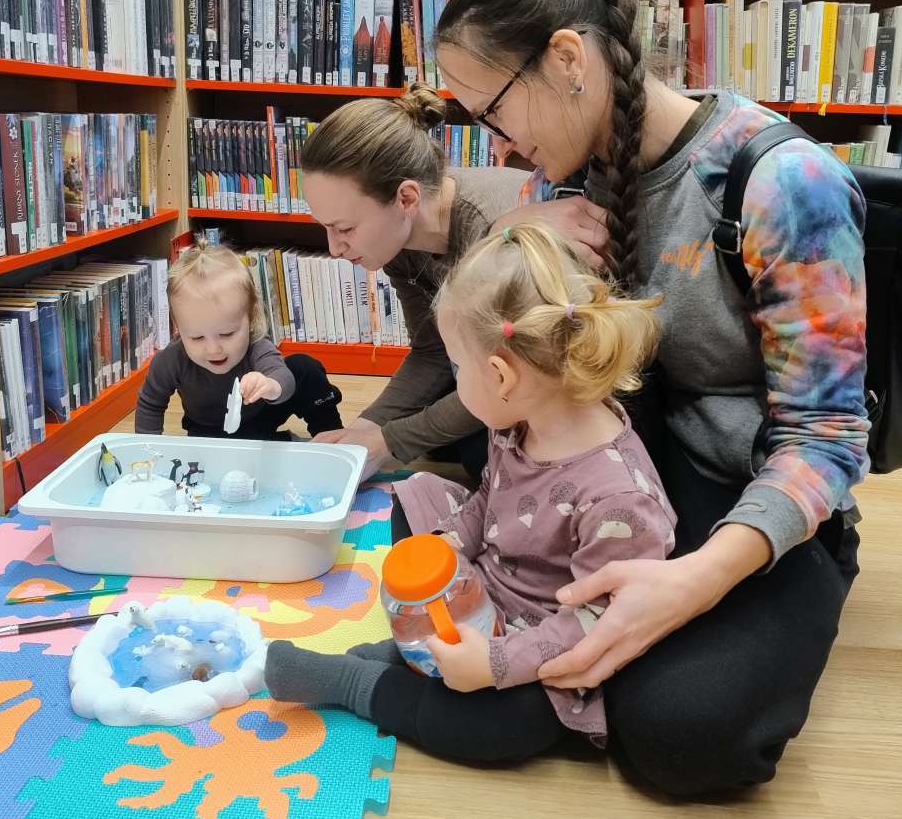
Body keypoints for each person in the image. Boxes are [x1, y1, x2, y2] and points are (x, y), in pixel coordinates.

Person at [425, 0, 870, 797]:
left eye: (493, 113)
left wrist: (694, 583)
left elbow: (826, 437)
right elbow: (495, 348)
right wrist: (517, 235)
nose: (500, 148)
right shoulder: (569, 174)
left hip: (744, 490)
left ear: (568, 60)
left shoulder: (784, 184)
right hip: (623, 466)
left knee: (682, 734)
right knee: (475, 434)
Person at [266, 223, 674, 763]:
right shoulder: (518, 423)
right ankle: (416, 651)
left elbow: (600, 625)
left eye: (457, 368)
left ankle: (354, 683)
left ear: (501, 376)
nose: (454, 380)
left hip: (546, 645)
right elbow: (487, 500)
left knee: (500, 726)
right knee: (416, 495)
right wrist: (449, 546)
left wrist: (494, 664)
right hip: (486, 589)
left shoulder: (619, 501)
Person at [301, 86, 525, 483]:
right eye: (325, 228)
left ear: (406, 199)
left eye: (345, 228)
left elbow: (505, 379)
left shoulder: (489, 232)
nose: (334, 249)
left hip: (535, 379)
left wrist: (388, 441)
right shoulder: (400, 240)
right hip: (490, 374)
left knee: (483, 454)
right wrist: (366, 430)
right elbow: (431, 349)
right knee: (436, 436)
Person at [134, 241, 343, 439]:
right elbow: (150, 403)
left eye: (227, 334)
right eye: (197, 337)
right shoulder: (171, 359)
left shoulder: (256, 345)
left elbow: (283, 378)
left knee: (304, 367)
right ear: (178, 327)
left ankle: (332, 437)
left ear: (251, 318)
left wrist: (269, 385)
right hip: (209, 434)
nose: (213, 349)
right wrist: (146, 449)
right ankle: (277, 442)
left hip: (260, 416)